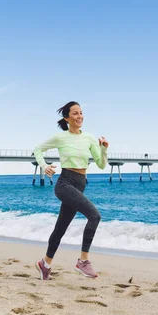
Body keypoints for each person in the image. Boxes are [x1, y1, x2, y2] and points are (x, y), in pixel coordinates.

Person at [33, 101, 109, 280]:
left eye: (81, 113)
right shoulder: (61, 138)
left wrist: (104, 149)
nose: (79, 116)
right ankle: (83, 261)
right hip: (65, 183)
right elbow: (37, 150)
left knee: (61, 228)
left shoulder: (89, 138)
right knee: (94, 216)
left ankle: (45, 264)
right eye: (75, 113)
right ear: (67, 118)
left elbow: (101, 164)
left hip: (80, 183)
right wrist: (44, 166)